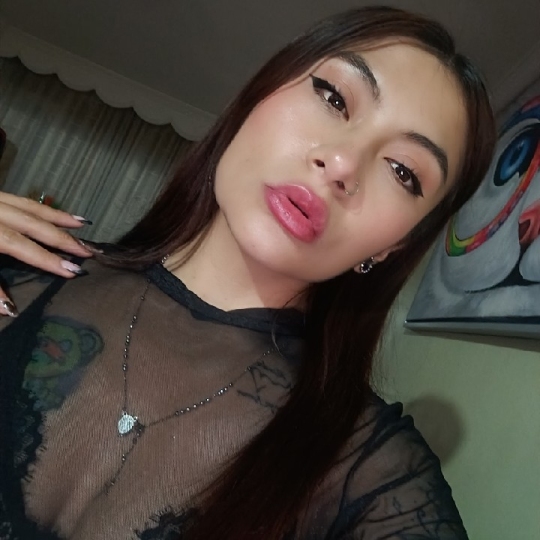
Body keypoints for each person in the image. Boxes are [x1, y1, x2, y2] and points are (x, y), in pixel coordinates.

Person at [0, 6, 496, 540]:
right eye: (334, 97)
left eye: (403, 171)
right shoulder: (20, 274)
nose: (342, 164)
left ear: (396, 245)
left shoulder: (370, 468)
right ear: (258, 96)